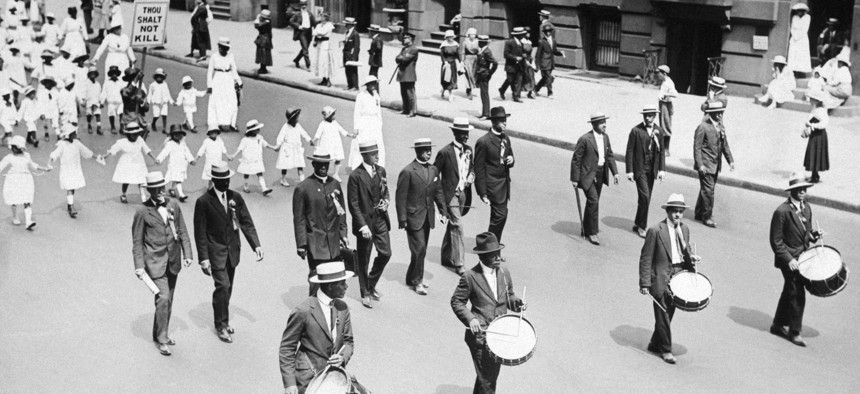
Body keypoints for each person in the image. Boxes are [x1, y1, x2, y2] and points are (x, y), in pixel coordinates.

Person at [193, 163, 264, 343]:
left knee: (228, 288)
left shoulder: (236, 198)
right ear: (214, 180)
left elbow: (246, 222)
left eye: (227, 179)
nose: (225, 183)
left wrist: (256, 245)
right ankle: (221, 325)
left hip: (232, 251)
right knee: (222, 286)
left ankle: (223, 318)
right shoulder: (203, 202)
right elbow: (200, 233)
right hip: (215, 252)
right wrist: (203, 259)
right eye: (221, 180)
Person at [450, 232, 526, 394]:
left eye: (499, 253)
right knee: (487, 382)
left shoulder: (504, 273)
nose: (498, 257)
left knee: (488, 378)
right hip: (480, 338)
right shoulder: (470, 277)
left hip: (500, 336)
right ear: (482, 257)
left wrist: (517, 303)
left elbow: (509, 296)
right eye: (494, 255)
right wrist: (470, 319)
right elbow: (457, 301)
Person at [132, 171, 194, 356]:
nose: (161, 191)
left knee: (168, 300)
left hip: (173, 260)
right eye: (156, 189)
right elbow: (137, 241)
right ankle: (161, 339)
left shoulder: (173, 204)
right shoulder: (142, 212)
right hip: (155, 262)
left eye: (162, 187)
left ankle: (160, 333)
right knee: (163, 297)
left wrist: (188, 253)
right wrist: (139, 265)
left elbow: (182, 229)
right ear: (149, 191)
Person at [638, 193, 701, 364]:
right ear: (667, 211)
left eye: (680, 212)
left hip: (678, 275)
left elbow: (684, 250)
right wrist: (645, 283)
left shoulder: (685, 229)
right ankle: (666, 349)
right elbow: (646, 258)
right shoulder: (655, 231)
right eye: (674, 211)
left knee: (668, 313)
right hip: (660, 277)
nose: (677, 215)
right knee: (663, 312)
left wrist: (692, 258)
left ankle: (654, 343)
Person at [278, 261, 354, 394]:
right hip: (308, 381)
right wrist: (290, 383)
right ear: (330, 286)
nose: (346, 286)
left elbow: (348, 341)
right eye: (342, 283)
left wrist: (342, 357)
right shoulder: (303, 311)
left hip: (333, 381)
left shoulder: (343, 308)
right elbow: (287, 348)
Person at [769, 173, 821, 348]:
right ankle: (795, 331)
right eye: (799, 189)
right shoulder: (781, 211)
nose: (802, 192)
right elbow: (776, 241)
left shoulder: (807, 208)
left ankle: (777, 324)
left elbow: (805, 232)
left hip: (803, 257)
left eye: (805, 189)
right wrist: (789, 259)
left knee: (789, 290)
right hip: (789, 260)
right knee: (797, 293)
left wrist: (814, 235)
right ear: (792, 191)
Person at [293, 148, 349, 296]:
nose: (324, 167)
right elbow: (299, 219)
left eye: (326, 164)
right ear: (313, 164)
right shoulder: (303, 188)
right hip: (315, 243)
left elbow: (341, 212)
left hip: (333, 242)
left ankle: (330, 307)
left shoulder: (335, 184)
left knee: (334, 279)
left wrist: (343, 234)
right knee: (316, 278)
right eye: (320, 164)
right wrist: (301, 244)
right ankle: (312, 308)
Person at [396, 138, 448, 295]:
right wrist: (402, 219)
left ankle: (411, 277)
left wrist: (443, 211)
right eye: (426, 150)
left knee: (420, 250)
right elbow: (401, 197)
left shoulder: (433, 170)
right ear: (418, 152)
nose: (429, 152)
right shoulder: (408, 171)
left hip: (427, 217)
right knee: (419, 249)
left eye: (430, 149)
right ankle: (417, 281)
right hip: (413, 218)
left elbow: (438, 192)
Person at [347, 141, 391, 309]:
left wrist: (386, 201)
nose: (377, 156)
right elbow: (353, 204)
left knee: (386, 253)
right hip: (365, 223)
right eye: (373, 154)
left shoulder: (381, 171)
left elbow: (385, 190)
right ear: (364, 156)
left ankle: (371, 283)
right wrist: (362, 226)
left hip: (380, 219)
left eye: (377, 152)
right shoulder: (355, 176)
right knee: (364, 258)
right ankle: (365, 292)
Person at [571, 113, 619, 245]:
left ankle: (586, 229)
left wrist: (615, 173)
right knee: (594, 200)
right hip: (587, 175)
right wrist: (574, 179)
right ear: (594, 125)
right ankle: (592, 232)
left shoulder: (605, 137)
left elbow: (609, 155)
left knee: (592, 202)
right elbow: (576, 159)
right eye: (601, 122)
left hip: (600, 174)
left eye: (605, 122)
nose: (604, 125)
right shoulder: (585, 139)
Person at [434, 118, 475, 276]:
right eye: (463, 133)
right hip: (449, 194)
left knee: (453, 224)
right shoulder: (445, 152)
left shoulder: (469, 150)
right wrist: (438, 199)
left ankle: (445, 256)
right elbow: (434, 175)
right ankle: (460, 263)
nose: (466, 136)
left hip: (463, 194)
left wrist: (471, 175)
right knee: (458, 225)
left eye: (467, 133)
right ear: (455, 133)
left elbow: (471, 168)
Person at [474, 107, 514, 241]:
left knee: (499, 217)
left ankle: (492, 249)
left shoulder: (506, 138)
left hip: (504, 185)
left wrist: (511, 160)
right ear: (493, 123)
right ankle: (491, 248)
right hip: (492, 186)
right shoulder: (484, 142)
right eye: (502, 121)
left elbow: (510, 155)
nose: (505, 123)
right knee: (500, 216)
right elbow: (478, 169)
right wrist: (482, 192)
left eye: (505, 120)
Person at [693, 101, 734, 228]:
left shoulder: (721, 126)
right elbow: (697, 147)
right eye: (718, 113)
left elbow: (724, 145)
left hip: (716, 165)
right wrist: (700, 164)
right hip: (706, 165)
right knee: (709, 191)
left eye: (721, 112)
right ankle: (707, 216)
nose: (721, 115)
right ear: (712, 113)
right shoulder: (703, 127)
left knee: (706, 189)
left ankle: (699, 212)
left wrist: (730, 160)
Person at [626, 107, 665, 238]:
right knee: (645, 197)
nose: (647, 118)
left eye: (650, 116)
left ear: (654, 116)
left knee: (644, 199)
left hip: (651, 170)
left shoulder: (659, 131)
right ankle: (642, 227)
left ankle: (637, 223)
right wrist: (630, 171)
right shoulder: (636, 131)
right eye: (645, 115)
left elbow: (661, 152)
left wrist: (662, 169)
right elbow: (630, 151)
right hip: (640, 170)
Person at [47, 124, 97, 217]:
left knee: (72, 187)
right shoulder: (62, 144)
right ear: (69, 134)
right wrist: (49, 164)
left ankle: (70, 203)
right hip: (67, 169)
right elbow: (54, 154)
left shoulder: (77, 143)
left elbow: (86, 151)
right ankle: (71, 206)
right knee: (70, 187)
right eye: (73, 132)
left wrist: (97, 157)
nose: (75, 134)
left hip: (75, 169)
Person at [1, 135, 49, 230]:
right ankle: (15, 216)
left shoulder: (26, 155)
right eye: (14, 147)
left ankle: (28, 222)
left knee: (27, 199)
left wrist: (44, 168)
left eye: (17, 148)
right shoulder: (9, 157)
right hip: (13, 180)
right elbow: (1, 166)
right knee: (14, 199)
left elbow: (32, 164)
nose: (15, 150)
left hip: (25, 179)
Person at [103, 122, 155, 203]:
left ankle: (143, 197)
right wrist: (106, 156)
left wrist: (154, 158)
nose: (135, 136)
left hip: (138, 163)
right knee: (126, 180)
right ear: (128, 134)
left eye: (137, 134)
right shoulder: (122, 142)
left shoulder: (140, 140)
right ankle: (123, 194)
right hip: (127, 164)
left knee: (141, 180)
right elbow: (113, 149)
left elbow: (147, 149)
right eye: (133, 134)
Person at [348, 76, 385, 170]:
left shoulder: (376, 95)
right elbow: (357, 111)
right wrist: (356, 127)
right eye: (370, 84)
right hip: (364, 122)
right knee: (362, 143)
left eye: (374, 83)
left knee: (378, 143)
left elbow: (378, 110)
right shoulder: (361, 95)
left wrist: (380, 123)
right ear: (367, 85)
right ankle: (358, 166)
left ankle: (378, 165)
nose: (372, 85)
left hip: (375, 123)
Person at [229, 119, 274, 195]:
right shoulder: (245, 140)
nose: (258, 130)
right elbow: (240, 149)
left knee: (260, 173)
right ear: (251, 131)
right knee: (247, 173)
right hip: (248, 159)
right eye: (256, 129)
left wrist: (274, 148)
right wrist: (233, 155)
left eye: (258, 128)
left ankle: (264, 188)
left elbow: (266, 144)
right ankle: (246, 186)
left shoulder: (260, 137)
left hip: (257, 159)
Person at [207, 37, 242, 132]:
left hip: (228, 79)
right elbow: (210, 72)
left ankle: (232, 124)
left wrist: (239, 81)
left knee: (233, 102)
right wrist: (209, 85)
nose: (223, 49)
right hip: (218, 79)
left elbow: (234, 70)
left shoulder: (230, 56)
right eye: (221, 47)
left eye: (226, 48)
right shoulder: (214, 56)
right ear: (218, 46)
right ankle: (216, 123)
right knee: (217, 102)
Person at [156, 125, 196, 202]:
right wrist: (159, 159)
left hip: (181, 165)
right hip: (173, 165)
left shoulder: (183, 143)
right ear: (172, 135)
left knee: (175, 179)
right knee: (174, 179)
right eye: (175, 134)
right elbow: (164, 152)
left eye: (179, 134)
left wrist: (191, 160)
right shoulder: (170, 144)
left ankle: (171, 189)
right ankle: (180, 194)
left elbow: (187, 152)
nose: (177, 136)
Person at [312, 106, 352, 181]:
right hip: (326, 144)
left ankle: (336, 174)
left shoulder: (335, 123)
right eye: (332, 115)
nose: (333, 116)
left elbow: (342, 130)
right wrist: (313, 140)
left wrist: (350, 135)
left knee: (338, 158)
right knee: (326, 159)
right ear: (328, 117)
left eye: (333, 114)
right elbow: (317, 134)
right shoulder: (322, 124)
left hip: (336, 144)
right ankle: (323, 174)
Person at [273, 107, 311, 186]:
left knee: (300, 163)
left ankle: (302, 178)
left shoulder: (298, 125)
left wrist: (309, 140)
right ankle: (283, 179)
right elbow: (280, 136)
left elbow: (304, 133)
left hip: (296, 148)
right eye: (295, 118)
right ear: (291, 119)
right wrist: (278, 145)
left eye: (297, 117)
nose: (297, 119)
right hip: (287, 148)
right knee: (285, 165)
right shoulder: (285, 127)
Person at [802, 90, 829, 183]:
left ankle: (815, 176)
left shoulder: (821, 111)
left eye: (812, 99)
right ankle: (814, 174)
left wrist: (813, 125)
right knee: (813, 153)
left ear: (817, 101)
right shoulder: (815, 109)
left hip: (819, 135)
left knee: (816, 153)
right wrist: (807, 125)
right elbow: (811, 119)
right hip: (814, 134)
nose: (810, 100)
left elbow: (824, 123)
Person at [534, 24, 562, 98]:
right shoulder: (541, 42)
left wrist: (561, 53)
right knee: (549, 77)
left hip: (551, 63)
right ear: (544, 32)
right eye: (546, 31)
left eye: (549, 31)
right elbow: (538, 54)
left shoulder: (553, 40)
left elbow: (554, 51)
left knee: (545, 78)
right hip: (544, 63)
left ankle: (535, 89)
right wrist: (537, 65)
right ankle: (550, 93)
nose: (548, 33)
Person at [498, 27, 525, 103]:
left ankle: (516, 96)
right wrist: (515, 58)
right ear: (517, 35)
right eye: (521, 34)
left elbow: (521, 53)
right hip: (511, 65)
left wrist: (523, 55)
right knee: (510, 80)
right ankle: (502, 89)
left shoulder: (521, 43)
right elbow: (506, 54)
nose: (523, 36)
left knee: (518, 80)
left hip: (519, 66)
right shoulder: (509, 42)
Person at [395, 32, 419, 117]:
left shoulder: (414, 49)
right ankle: (405, 109)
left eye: (406, 38)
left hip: (409, 74)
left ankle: (413, 111)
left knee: (410, 93)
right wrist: (401, 58)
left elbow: (405, 59)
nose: (404, 39)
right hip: (402, 73)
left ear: (410, 39)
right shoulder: (404, 49)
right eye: (404, 38)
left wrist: (401, 58)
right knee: (403, 93)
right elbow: (397, 58)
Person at [119, 67, 149, 134]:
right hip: (128, 121)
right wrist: (135, 81)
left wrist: (141, 101)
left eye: (134, 78)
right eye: (131, 78)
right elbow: (126, 93)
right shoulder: (123, 90)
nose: (132, 80)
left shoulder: (141, 92)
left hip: (140, 122)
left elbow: (147, 108)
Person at [474, 35, 497, 120]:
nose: (479, 43)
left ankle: (486, 114)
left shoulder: (487, 52)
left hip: (484, 74)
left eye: (480, 42)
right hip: (481, 74)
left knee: (484, 94)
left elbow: (495, 63)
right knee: (483, 94)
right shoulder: (482, 51)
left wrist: (490, 73)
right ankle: (484, 113)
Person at [656, 65, 677, 156]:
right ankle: (662, 148)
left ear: (664, 73)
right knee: (662, 125)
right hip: (662, 104)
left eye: (659, 73)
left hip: (666, 105)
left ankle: (666, 149)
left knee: (666, 126)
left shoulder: (669, 83)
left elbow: (675, 94)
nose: (657, 75)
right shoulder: (664, 82)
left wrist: (665, 94)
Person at [289, 0, 315, 70]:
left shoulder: (310, 14)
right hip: (301, 33)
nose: (304, 6)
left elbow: (314, 23)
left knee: (304, 49)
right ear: (300, 5)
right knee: (305, 49)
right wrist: (298, 26)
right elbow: (291, 21)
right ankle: (308, 65)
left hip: (309, 33)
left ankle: (296, 60)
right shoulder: (297, 14)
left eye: (305, 5)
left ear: (306, 5)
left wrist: (316, 31)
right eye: (302, 5)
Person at [312, 12, 335, 87]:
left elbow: (323, 32)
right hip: (319, 44)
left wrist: (318, 33)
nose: (321, 18)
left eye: (323, 17)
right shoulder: (319, 25)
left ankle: (328, 79)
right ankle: (323, 79)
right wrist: (316, 36)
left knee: (326, 62)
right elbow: (314, 32)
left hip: (325, 44)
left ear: (327, 18)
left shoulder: (329, 25)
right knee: (320, 61)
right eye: (321, 16)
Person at [148, 68, 174, 134]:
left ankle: (164, 128)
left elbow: (168, 93)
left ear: (163, 77)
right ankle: (153, 123)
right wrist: (147, 102)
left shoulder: (165, 84)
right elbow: (149, 94)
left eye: (161, 77)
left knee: (164, 115)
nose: (159, 78)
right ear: (155, 77)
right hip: (156, 103)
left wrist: (171, 101)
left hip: (164, 102)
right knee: (156, 115)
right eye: (158, 76)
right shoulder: (152, 85)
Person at [788, 3, 812, 73]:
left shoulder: (807, 17)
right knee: (794, 54)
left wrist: (798, 36)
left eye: (800, 11)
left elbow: (805, 29)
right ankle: (793, 70)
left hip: (802, 38)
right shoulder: (795, 17)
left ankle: (800, 71)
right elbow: (792, 27)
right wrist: (794, 35)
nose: (799, 13)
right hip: (794, 37)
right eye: (798, 11)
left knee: (801, 54)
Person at [99, 65, 123, 134]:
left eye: (115, 73)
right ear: (110, 74)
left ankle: (122, 127)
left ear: (118, 74)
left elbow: (124, 91)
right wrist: (102, 102)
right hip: (111, 101)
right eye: (113, 73)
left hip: (120, 101)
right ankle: (113, 126)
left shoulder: (120, 82)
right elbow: (104, 92)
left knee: (121, 114)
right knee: (111, 114)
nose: (114, 75)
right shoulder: (107, 83)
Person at [439, 30, 460, 102]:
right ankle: (444, 90)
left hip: (453, 63)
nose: (450, 38)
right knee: (446, 79)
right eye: (448, 37)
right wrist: (444, 62)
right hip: (446, 63)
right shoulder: (444, 45)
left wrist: (461, 61)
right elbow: (442, 55)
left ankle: (450, 94)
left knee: (452, 79)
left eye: (451, 37)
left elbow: (458, 54)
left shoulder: (456, 45)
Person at [81, 66, 102, 134]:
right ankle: (89, 125)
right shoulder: (86, 83)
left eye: (94, 73)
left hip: (96, 100)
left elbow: (99, 93)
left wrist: (100, 101)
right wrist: (84, 100)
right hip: (89, 101)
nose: (93, 75)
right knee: (89, 114)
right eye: (91, 73)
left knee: (98, 113)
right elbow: (84, 91)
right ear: (89, 74)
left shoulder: (98, 84)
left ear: (96, 74)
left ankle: (99, 127)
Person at [342, 17, 360, 91]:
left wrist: (354, 57)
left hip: (351, 55)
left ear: (351, 25)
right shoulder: (347, 32)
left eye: (347, 24)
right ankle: (350, 84)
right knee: (347, 70)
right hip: (346, 54)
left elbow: (356, 46)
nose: (345, 25)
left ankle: (355, 86)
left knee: (353, 70)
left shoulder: (355, 34)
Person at [460, 27, 479, 100]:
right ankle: (469, 90)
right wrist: (462, 60)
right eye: (471, 34)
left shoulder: (477, 41)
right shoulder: (465, 42)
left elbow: (479, 50)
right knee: (468, 74)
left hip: (475, 59)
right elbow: (463, 52)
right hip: (467, 59)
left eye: (474, 34)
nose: (473, 36)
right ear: (469, 35)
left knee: (474, 75)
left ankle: (471, 87)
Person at [254, 10, 273, 75]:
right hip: (264, 38)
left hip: (264, 39)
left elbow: (257, 26)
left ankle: (263, 68)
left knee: (263, 53)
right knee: (262, 53)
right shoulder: (265, 21)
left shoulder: (266, 22)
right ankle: (262, 67)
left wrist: (258, 19)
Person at [520, 27, 536, 99]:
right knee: (523, 76)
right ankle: (518, 91)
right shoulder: (522, 42)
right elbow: (521, 52)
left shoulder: (529, 42)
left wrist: (532, 60)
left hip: (529, 60)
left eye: (529, 32)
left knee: (531, 76)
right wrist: (525, 60)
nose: (528, 34)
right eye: (527, 33)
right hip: (523, 60)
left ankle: (531, 92)